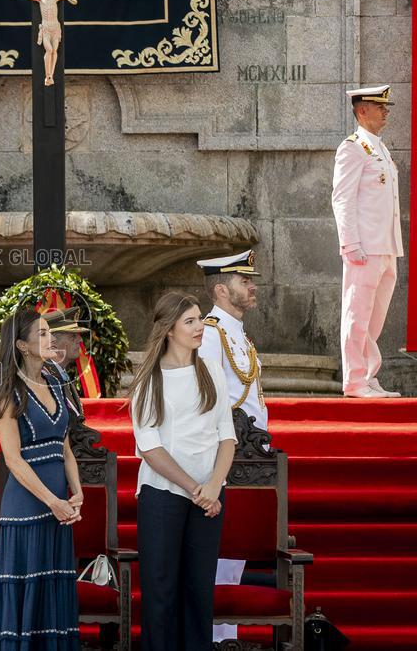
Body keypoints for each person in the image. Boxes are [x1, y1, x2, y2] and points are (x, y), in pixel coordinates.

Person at [131, 291, 237, 651]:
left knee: (198, 591)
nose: (199, 327)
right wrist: (196, 488)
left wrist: (213, 486)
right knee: (161, 591)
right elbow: (150, 448)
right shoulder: (150, 380)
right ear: (169, 330)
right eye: (190, 321)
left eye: (200, 319)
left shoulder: (211, 371)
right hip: (163, 496)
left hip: (209, 497)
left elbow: (227, 435)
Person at [0, 308, 82, 649]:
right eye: (41, 334)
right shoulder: (7, 393)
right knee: (28, 590)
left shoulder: (57, 383)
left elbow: (65, 448)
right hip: (27, 507)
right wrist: (52, 501)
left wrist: (77, 495)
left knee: (54, 590)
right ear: (23, 346)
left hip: (58, 507)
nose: (51, 339)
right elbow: (13, 459)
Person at [196, 250, 266, 641]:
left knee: (235, 558)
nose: (253, 285)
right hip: (227, 455)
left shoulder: (238, 333)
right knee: (221, 557)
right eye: (244, 281)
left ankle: (228, 637)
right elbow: (209, 400)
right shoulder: (209, 334)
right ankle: (216, 639)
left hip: (252, 454)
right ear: (221, 289)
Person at [331, 85, 404, 398]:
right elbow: (342, 197)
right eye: (379, 105)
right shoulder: (353, 147)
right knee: (357, 313)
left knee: (375, 317)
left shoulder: (380, 149)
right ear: (362, 111)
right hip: (364, 247)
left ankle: (368, 374)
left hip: (385, 245)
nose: (386, 110)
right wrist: (349, 243)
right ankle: (354, 380)